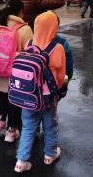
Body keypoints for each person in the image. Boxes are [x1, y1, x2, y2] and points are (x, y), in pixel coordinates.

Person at [14, 11, 66, 173]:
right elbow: (60, 77)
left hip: (28, 95)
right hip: (47, 97)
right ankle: (50, 154)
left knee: (28, 127)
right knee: (50, 125)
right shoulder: (57, 48)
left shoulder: (29, 43)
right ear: (54, 27)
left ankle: (21, 161)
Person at [0, 0, 33, 142]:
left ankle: (0, 120)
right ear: (21, 11)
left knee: (2, 97)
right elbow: (31, 52)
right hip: (14, 73)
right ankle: (11, 131)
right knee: (15, 101)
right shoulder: (24, 28)